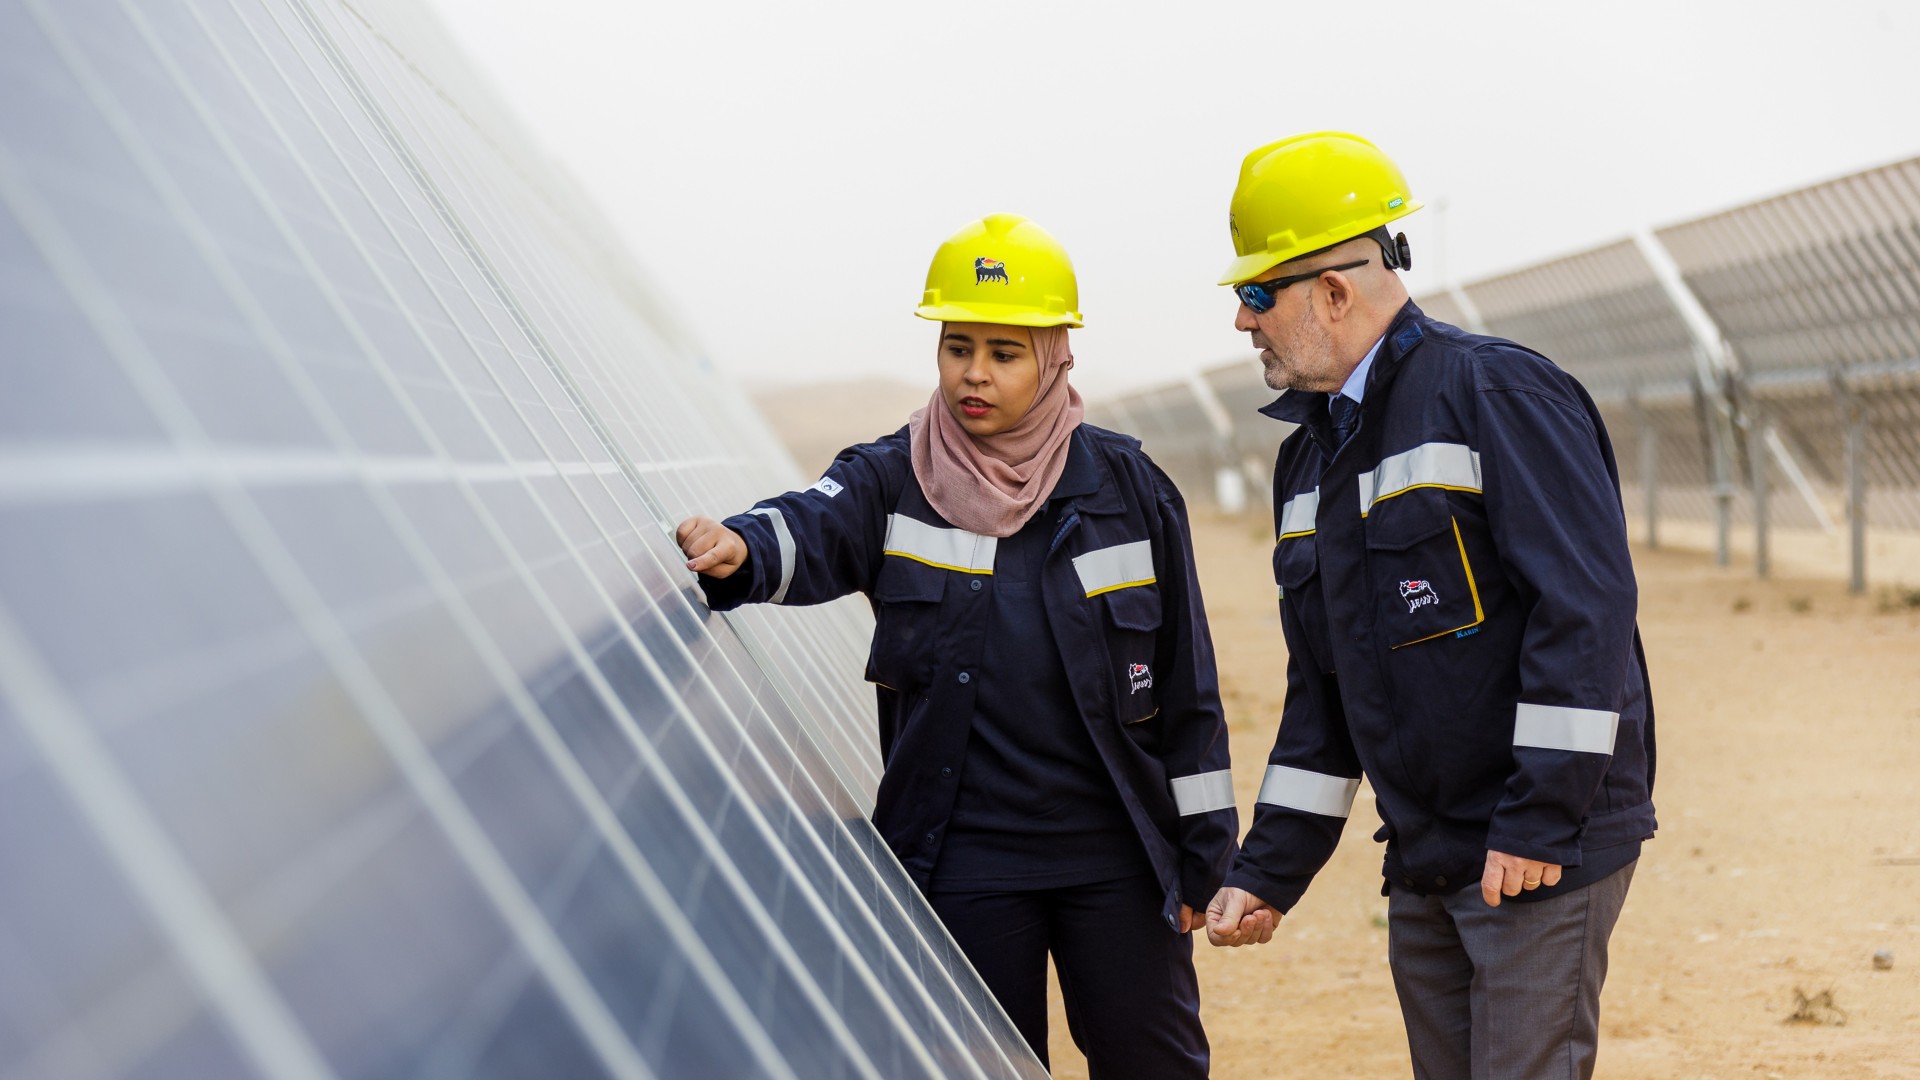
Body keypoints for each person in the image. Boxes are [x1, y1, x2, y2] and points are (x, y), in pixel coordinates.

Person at [676, 213, 1234, 1077]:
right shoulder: (892, 478)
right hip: (965, 856)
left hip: (1115, 853)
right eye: (957, 346)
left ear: (1054, 355)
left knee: (1154, 1063)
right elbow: (811, 525)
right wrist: (742, 549)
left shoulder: (1128, 488)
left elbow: (1186, 685)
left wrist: (1205, 853)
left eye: (1004, 352)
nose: (974, 374)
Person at [1202, 133, 1657, 1080]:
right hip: (1428, 853)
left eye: (1256, 295)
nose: (1244, 325)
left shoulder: (1496, 391)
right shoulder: (1307, 459)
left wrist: (1539, 820)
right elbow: (1322, 693)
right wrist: (1269, 867)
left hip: (1539, 848)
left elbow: (1586, 609)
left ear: (1334, 289)